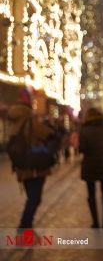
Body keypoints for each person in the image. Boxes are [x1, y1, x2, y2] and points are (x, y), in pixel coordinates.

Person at [8, 88, 55, 229]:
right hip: (34, 165)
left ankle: (26, 223)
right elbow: (48, 133)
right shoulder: (30, 120)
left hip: (21, 166)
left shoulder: (14, 122)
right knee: (35, 198)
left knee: (32, 197)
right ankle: (25, 223)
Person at [79, 107, 103, 228]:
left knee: (91, 194)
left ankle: (96, 221)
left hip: (90, 165)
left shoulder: (84, 130)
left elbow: (81, 148)